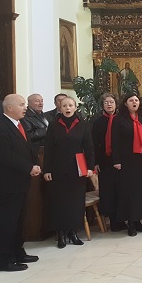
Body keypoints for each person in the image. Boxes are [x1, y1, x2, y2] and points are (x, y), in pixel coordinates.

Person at [0, 94, 41, 272]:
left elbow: (27, 148)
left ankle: (17, 251)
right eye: (22, 104)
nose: (25, 107)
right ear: (9, 108)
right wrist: (28, 167)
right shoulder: (0, 126)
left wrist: (35, 164)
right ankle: (3, 259)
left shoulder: (18, 124)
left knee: (19, 220)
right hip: (7, 183)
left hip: (21, 181)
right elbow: (5, 155)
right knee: (7, 221)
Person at [42, 96, 95, 248]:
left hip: (77, 169)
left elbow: (89, 148)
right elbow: (49, 149)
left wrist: (90, 168)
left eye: (70, 105)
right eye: (64, 105)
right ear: (60, 107)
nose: (67, 108)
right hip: (58, 169)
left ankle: (73, 232)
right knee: (59, 201)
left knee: (75, 202)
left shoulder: (83, 125)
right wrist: (47, 170)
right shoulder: (53, 125)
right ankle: (61, 234)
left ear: (75, 107)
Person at [111, 93, 142, 236]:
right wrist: (116, 160)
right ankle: (130, 222)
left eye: (136, 100)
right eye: (131, 100)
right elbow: (115, 141)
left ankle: (138, 220)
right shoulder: (119, 119)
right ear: (125, 103)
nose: (134, 102)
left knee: (141, 190)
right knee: (129, 191)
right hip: (126, 160)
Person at [91, 93, 124, 231]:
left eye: (111, 102)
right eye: (106, 103)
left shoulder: (122, 120)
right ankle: (113, 220)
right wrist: (96, 162)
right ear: (102, 105)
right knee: (108, 191)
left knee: (121, 190)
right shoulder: (97, 122)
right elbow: (94, 143)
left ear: (116, 104)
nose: (109, 104)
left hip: (121, 161)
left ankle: (122, 218)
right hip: (104, 161)